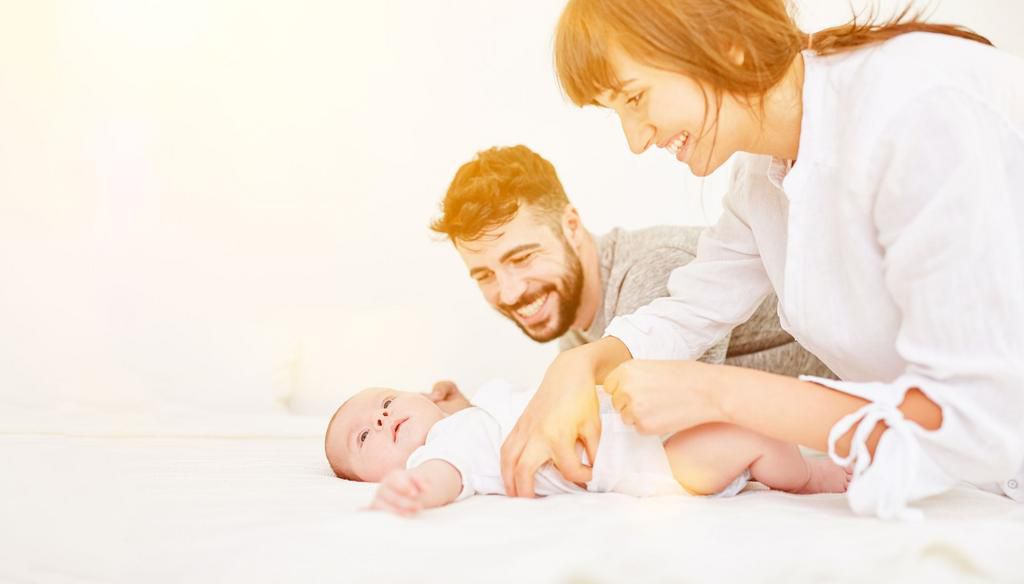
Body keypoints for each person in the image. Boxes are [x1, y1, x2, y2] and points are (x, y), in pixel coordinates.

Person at [499, 0, 1024, 520]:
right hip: (976, 490)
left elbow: (976, 415)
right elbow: (693, 307)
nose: (636, 140)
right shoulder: (761, 175)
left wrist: (717, 392)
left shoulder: (916, 111)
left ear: (727, 44)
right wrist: (581, 363)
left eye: (635, 98)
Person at [427, 145, 833, 408]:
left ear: (571, 225)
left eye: (522, 258)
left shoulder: (651, 270)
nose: (510, 291)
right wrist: (470, 419)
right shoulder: (567, 312)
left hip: (872, 415)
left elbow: (644, 436)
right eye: (484, 275)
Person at [324, 380, 850, 516]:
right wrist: (416, 490)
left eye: (387, 400)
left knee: (740, 409)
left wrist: (458, 402)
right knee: (750, 434)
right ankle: (811, 478)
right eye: (365, 435)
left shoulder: (469, 418)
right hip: (648, 464)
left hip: (643, 424)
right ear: (365, 477)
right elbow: (447, 473)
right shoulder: (440, 453)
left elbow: (485, 419)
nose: (383, 416)